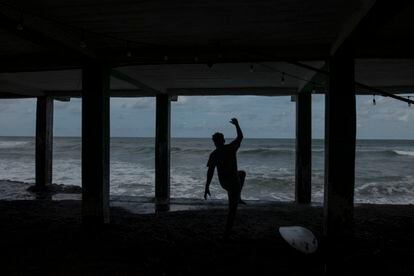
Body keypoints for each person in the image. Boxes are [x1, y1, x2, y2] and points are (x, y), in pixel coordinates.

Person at [204, 118, 246, 238]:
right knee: (232, 210)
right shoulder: (231, 148)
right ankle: (227, 232)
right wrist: (237, 125)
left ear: (215, 142)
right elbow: (240, 137)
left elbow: (210, 172)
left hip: (224, 183)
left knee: (242, 173)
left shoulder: (214, 154)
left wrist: (206, 187)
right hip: (234, 183)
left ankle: (238, 197)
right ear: (223, 140)